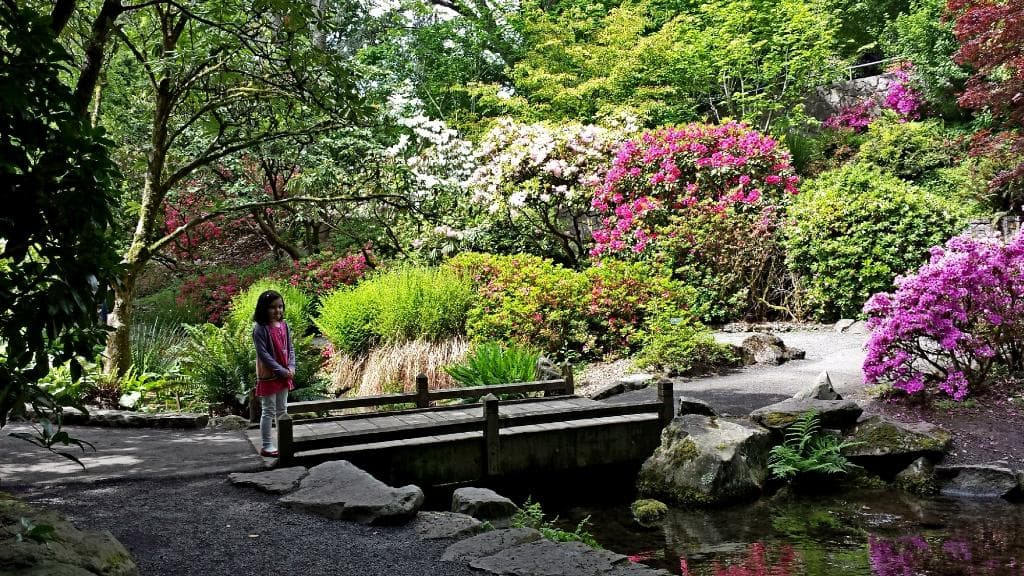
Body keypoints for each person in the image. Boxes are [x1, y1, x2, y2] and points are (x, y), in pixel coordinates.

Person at [252, 290, 295, 458]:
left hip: (285, 373)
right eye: (272, 307)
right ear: (263, 309)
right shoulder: (260, 329)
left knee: (282, 410)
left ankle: (282, 441)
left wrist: (291, 366)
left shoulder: (284, 325)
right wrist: (281, 370)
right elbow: (263, 355)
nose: (277, 311)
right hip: (270, 375)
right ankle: (267, 445)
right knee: (268, 410)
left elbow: (291, 348)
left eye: (280, 307)